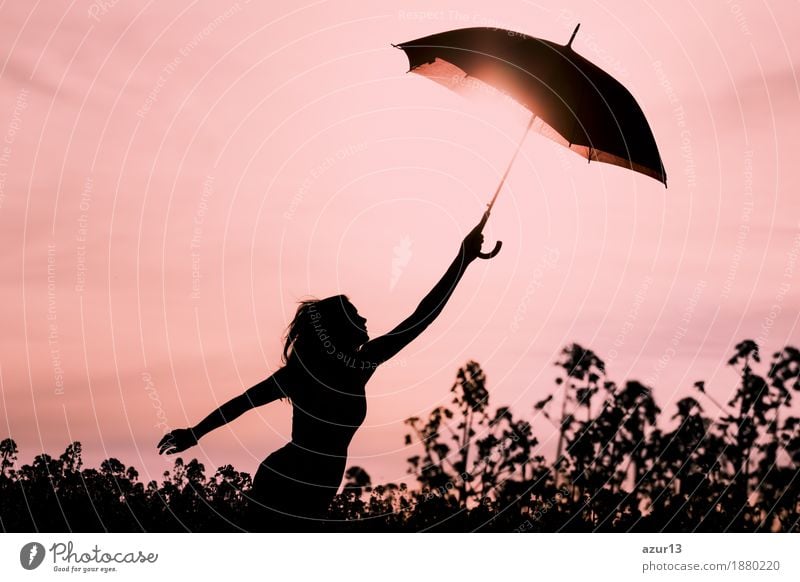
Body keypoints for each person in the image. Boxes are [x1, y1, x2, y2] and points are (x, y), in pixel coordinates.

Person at [157, 212, 497, 530]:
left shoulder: (345, 367)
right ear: (338, 329)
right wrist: (195, 433)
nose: (364, 320)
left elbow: (420, 317)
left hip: (310, 488)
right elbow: (242, 403)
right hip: (287, 481)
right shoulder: (321, 372)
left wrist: (463, 260)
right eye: (355, 314)